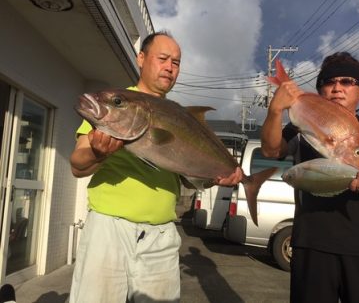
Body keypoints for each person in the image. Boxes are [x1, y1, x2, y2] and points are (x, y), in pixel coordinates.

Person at [69, 31, 242, 303]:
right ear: (141, 58)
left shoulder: (180, 115)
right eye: (163, 58)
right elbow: (78, 165)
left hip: (162, 234)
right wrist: (97, 152)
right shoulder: (119, 104)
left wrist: (216, 177)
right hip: (109, 229)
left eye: (176, 62)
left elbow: (188, 179)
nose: (170, 67)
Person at [261, 52, 359, 303]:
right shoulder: (300, 126)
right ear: (320, 91)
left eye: (347, 81)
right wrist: (275, 110)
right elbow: (271, 150)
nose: (337, 88)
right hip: (310, 243)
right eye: (329, 82)